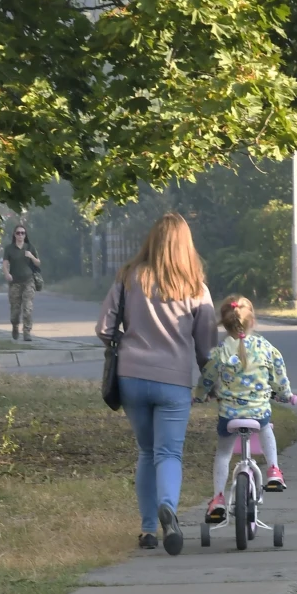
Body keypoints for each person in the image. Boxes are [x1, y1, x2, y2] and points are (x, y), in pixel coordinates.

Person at [97, 213, 217, 555]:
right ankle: (169, 510)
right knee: (168, 453)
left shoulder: (129, 278)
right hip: (174, 382)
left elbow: (104, 329)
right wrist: (210, 383)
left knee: (147, 451)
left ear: (152, 240)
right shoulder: (196, 287)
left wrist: (127, 344)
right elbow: (206, 348)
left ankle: (148, 529)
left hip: (131, 377)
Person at [194, 295, 296, 524]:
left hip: (229, 415)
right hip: (258, 413)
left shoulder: (219, 351)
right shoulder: (266, 348)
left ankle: (218, 499)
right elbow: (279, 376)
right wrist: (286, 395)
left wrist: (198, 396)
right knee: (266, 427)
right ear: (253, 320)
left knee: (223, 453)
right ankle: (273, 471)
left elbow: (207, 378)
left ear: (225, 322)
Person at [3, 225, 41, 341]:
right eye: (18, 233)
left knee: (28, 307)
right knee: (15, 310)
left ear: (25, 235)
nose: (20, 235)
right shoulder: (9, 249)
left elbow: (38, 263)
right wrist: (7, 274)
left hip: (28, 281)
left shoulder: (30, 247)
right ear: (14, 235)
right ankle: (15, 326)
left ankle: (27, 332)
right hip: (15, 283)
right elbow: (4, 264)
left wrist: (32, 256)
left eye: (23, 233)